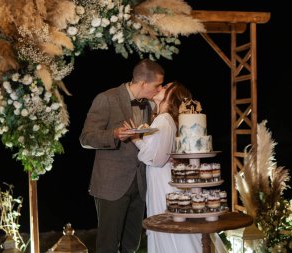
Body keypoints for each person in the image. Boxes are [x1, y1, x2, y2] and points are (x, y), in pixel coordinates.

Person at [79, 58, 165, 253]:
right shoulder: (107, 98)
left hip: (141, 182)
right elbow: (86, 138)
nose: (159, 90)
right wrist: (114, 134)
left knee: (132, 243)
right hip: (112, 184)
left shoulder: (152, 106)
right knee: (108, 245)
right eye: (157, 85)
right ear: (143, 83)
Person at [124, 81, 202, 253]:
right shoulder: (166, 120)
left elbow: (156, 159)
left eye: (166, 87)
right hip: (164, 177)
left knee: (166, 225)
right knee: (171, 226)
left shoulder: (163, 119)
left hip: (162, 179)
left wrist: (135, 139)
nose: (160, 88)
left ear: (171, 97)